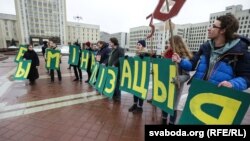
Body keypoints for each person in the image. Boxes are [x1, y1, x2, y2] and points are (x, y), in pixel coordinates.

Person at [172, 14, 250, 122]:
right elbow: (191, 65)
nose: (209, 28)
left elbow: (246, 78)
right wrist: (180, 61)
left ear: (223, 30)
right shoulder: (205, 47)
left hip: (218, 100)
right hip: (196, 94)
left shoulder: (240, 52)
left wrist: (232, 84)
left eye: (214, 26)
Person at [161, 35, 193, 125]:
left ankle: (171, 123)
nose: (168, 45)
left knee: (173, 107)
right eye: (168, 43)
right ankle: (163, 121)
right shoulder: (166, 55)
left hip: (175, 87)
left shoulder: (183, 58)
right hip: (165, 84)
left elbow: (187, 76)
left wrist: (178, 79)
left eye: (170, 43)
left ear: (176, 44)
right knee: (164, 104)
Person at [128, 40, 149, 113]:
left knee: (140, 91)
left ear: (143, 46)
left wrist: (142, 55)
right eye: (137, 44)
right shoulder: (137, 54)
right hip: (136, 75)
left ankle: (140, 107)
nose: (137, 46)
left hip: (142, 76)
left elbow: (147, 60)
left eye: (139, 44)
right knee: (135, 91)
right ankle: (135, 105)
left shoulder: (146, 53)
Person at [107, 37, 125, 101]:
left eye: (110, 42)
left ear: (114, 42)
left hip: (117, 68)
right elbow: (110, 58)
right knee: (113, 82)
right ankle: (114, 94)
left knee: (117, 82)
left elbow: (121, 57)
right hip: (112, 68)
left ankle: (118, 96)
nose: (109, 43)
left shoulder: (120, 49)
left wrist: (114, 64)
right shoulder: (112, 49)